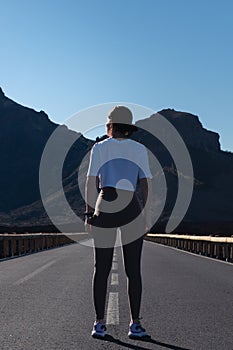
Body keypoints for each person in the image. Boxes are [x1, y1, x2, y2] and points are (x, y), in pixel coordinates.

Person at [84, 106, 152, 339]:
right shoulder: (140, 149)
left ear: (110, 125)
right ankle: (135, 324)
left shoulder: (99, 147)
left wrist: (89, 213)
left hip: (106, 204)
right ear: (129, 127)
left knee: (101, 268)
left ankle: (99, 323)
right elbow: (144, 185)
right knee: (133, 269)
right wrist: (146, 215)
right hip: (131, 206)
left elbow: (91, 180)